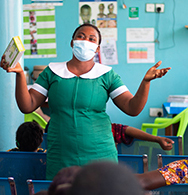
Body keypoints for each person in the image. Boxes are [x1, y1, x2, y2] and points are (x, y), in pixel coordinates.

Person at [1, 23, 171, 180]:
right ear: (72, 42)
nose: (85, 41)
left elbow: (132, 108)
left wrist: (146, 82)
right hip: (61, 156)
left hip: (100, 155)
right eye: (81, 36)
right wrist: (20, 75)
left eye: (92, 39)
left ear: (97, 48)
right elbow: (27, 105)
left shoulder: (107, 74)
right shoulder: (51, 71)